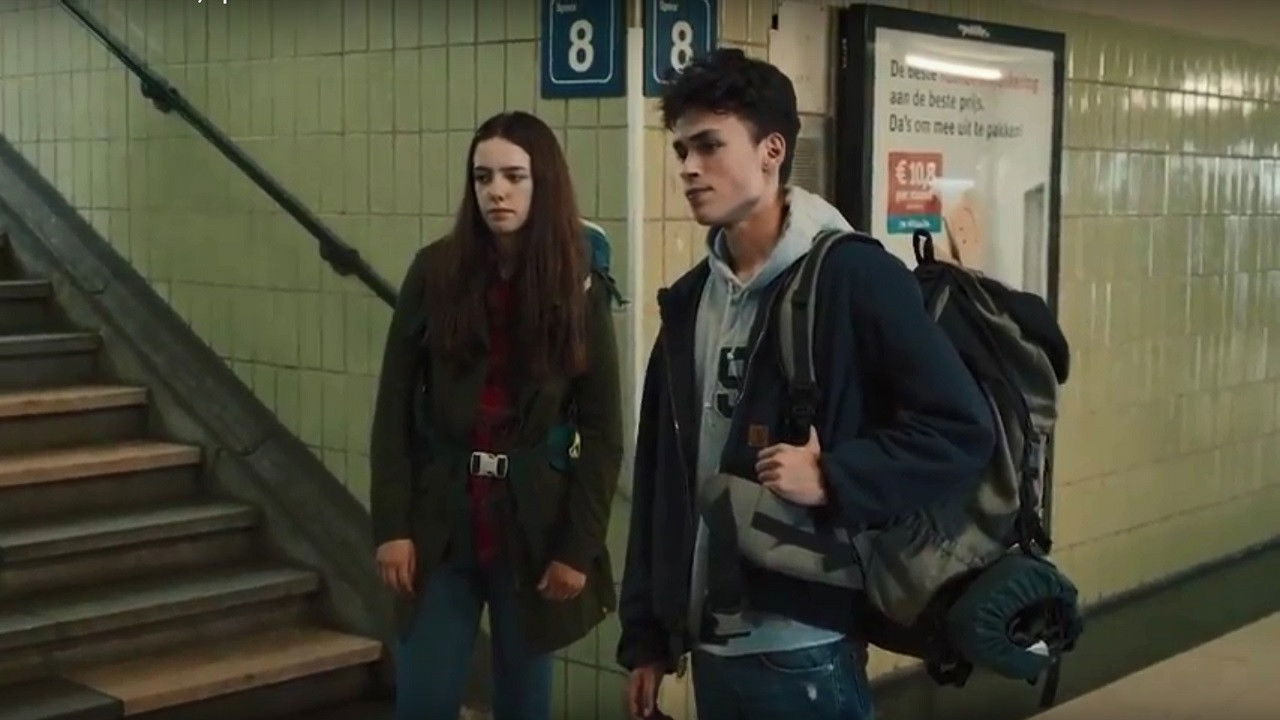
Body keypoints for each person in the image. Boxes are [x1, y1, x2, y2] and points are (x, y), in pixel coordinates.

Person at [616, 49, 995, 720]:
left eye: (709, 145)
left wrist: (833, 477)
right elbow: (660, 473)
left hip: (804, 648)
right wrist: (646, 635)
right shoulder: (691, 300)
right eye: (681, 150)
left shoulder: (853, 277)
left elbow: (961, 429)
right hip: (708, 644)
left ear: (772, 150)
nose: (689, 168)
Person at [371, 110, 624, 720]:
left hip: (532, 525)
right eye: (483, 178)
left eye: (514, 176)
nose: (497, 192)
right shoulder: (435, 271)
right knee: (424, 699)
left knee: (524, 701)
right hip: (442, 521)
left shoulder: (577, 284)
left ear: (544, 183)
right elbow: (393, 408)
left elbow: (603, 430)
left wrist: (578, 547)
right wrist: (391, 527)